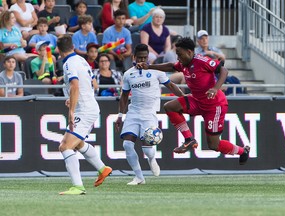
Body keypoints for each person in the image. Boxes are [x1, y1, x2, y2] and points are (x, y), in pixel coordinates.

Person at [136, 37, 250, 165]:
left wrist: (215, 88)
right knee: (170, 107)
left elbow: (224, 70)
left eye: (179, 54)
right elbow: (170, 66)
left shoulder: (202, 61)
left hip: (214, 105)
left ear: (189, 52)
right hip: (196, 100)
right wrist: (149, 66)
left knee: (213, 144)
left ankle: (242, 151)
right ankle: (189, 139)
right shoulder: (184, 64)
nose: (178, 58)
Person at [115, 43, 185, 185]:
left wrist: (185, 99)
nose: (142, 61)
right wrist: (120, 116)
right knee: (127, 145)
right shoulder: (128, 74)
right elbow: (124, 96)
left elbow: (170, 85)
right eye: (139, 58)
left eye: (145, 58)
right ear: (134, 57)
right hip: (133, 112)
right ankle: (139, 177)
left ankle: (152, 159)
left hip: (149, 113)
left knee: (147, 149)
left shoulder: (156, 71)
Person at [57, 34, 112, 195]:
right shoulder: (82, 60)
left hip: (84, 110)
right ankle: (103, 168)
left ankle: (77, 186)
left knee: (65, 146)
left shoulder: (69, 63)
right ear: (73, 47)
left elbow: (75, 85)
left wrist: (72, 110)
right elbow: (92, 84)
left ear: (59, 51)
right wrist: (74, 99)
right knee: (78, 143)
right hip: (89, 105)